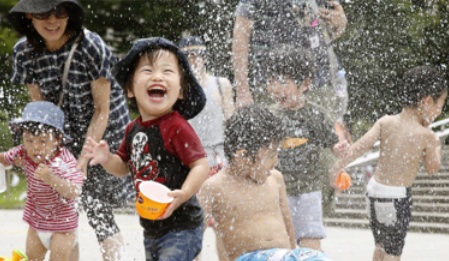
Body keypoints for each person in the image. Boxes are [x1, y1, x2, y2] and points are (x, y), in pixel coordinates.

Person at [8, 1, 132, 259]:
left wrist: (84, 159)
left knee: (97, 206)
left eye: (59, 12)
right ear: (29, 14)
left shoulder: (91, 46)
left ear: (70, 14)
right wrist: (41, 149)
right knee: (63, 211)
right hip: (60, 131)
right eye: (43, 13)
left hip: (102, 131)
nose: (52, 21)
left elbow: (102, 110)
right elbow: (40, 110)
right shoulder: (24, 51)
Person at [82, 37, 210, 261]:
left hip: (182, 225)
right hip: (152, 225)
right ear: (130, 89)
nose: (158, 76)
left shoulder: (177, 126)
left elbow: (201, 164)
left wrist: (185, 193)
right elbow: (123, 167)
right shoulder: (133, 128)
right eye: (148, 70)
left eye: (168, 71)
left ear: (180, 91)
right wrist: (106, 158)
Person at [331, 66, 447, 261]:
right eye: (440, 104)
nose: (439, 110)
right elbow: (432, 168)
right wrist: (435, 146)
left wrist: (337, 166)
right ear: (426, 101)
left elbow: (360, 147)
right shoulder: (426, 136)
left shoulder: (386, 122)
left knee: (380, 246)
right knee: (393, 253)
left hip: (374, 192)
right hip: (397, 197)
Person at [198, 105, 332, 261]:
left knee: (317, 257)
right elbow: (195, 233)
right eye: (270, 155)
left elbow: (288, 228)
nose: (276, 161)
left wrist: (292, 253)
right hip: (249, 257)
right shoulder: (215, 186)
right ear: (242, 156)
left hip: (283, 256)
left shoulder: (275, 179)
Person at [264, 48, 350, 251]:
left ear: (305, 84)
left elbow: (331, 143)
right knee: (281, 242)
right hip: (277, 190)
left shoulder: (315, 114)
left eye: (283, 82)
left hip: (309, 190)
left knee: (310, 240)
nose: (276, 89)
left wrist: (339, 148)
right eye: (272, 81)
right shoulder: (269, 116)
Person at [232, 0, 348, 123]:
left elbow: (328, 32)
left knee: (326, 136)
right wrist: (242, 90)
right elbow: (241, 34)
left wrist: (340, 23)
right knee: (274, 137)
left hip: (319, 83)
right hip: (273, 86)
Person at [0, 101, 83, 261]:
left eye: (43, 141)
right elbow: (4, 158)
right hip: (36, 223)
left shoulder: (65, 161)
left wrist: (52, 178)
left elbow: (75, 190)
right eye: (29, 140)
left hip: (63, 228)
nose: (35, 147)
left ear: (58, 140)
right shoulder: (23, 153)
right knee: (31, 259)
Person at [179, 35, 235, 176]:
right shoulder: (178, 90)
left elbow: (232, 123)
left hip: (220, 155)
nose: (193, 61)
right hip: (192, 157)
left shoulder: (221, 84)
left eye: (197, 56)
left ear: (204, 58)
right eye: (188, 57)